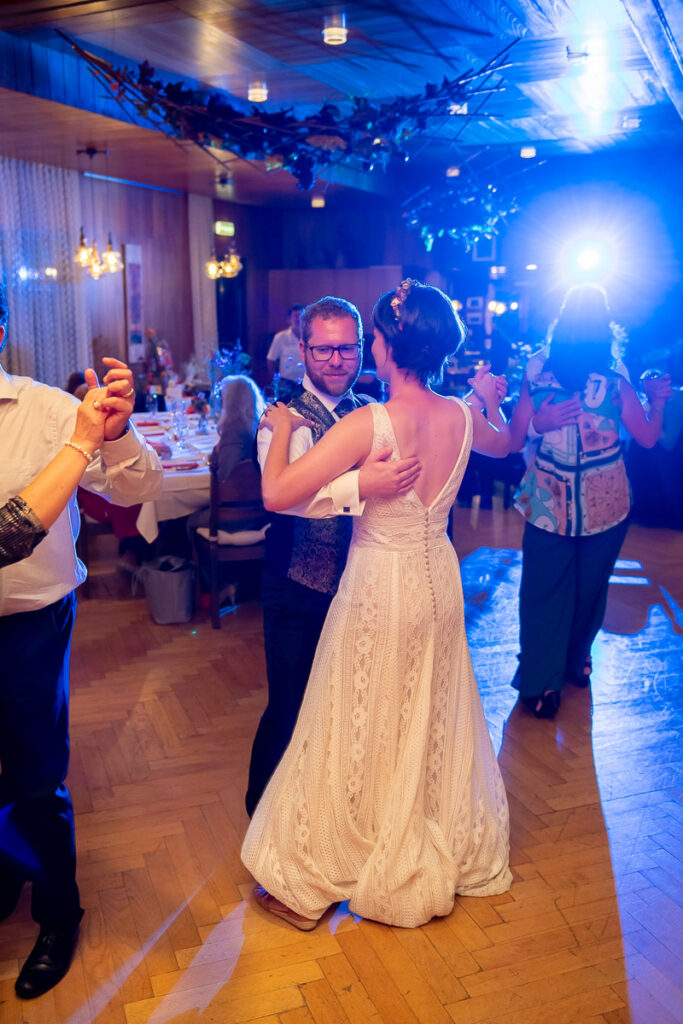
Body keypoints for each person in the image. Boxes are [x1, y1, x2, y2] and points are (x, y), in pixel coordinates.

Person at [241, 280, 512, 930]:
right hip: (437, 583)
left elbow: (276, 493)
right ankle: (417, 828)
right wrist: (494, 396)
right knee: (423, 707)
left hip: (379, 582)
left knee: (349, 716)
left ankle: (317, 869)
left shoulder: (372, 421)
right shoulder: (461, 416)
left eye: (366, 342)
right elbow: (508, 441)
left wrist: (279, 429)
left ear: (383, 348)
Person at [0, 281, 162, 1000]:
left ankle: (59, 914)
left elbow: (135, 491)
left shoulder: (44, 407)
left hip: (31, 619)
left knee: (36, 775)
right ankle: (7, 876)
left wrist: (120, 431)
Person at [244, 296, 421, 817]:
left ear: (364, 348)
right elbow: (290, 499)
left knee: (349, 706)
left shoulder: (372, 413)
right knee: (290, 708)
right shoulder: (282, 421)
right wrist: (363, 483)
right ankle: (264, 817)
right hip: (298, 586)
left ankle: (328, 815)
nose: (337, 360)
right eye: (324, 350)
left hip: (363, 587)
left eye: (348, 348)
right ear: (302, 350)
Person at [508, 283, 673, 719]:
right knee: (581, 592)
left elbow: (514, 435)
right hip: (585, 501)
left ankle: (545, 683)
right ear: (605, 326)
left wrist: (536, 424)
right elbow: (649, 437)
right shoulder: (608, 373)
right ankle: (560, 668)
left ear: (560, 322)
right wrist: (656, 403)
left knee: (546, 593)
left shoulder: (549, 370)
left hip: (575, 501)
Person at [0, 389, 111, 568]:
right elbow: (5, 538)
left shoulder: (53, 405)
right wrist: (83, 443)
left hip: (49, 593)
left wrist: (119, 437)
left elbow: (136, 486)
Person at [266, 304, 305, 394]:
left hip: (306, 383)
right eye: (295, 316)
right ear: (289, 319)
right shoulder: (280, 337)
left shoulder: (309, 337)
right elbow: (270, 360)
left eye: (301, 316)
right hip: (286, 383)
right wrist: (276, 380)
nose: (298, 319)